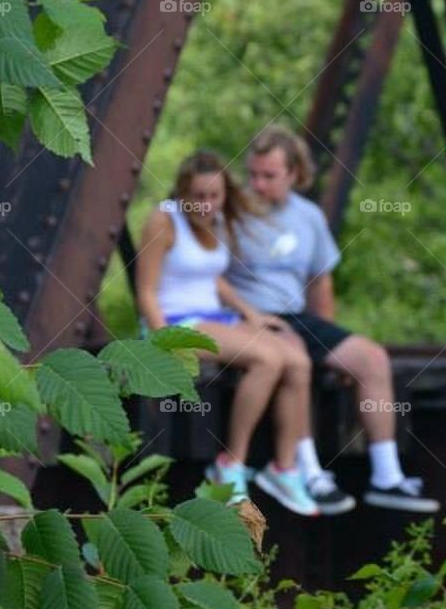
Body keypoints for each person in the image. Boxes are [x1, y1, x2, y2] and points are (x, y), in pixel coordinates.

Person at [224, 127, 440, 515]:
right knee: (294, 358)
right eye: (253, 174)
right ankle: (308, 473)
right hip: (249, 317)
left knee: (372, 358)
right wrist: (244, 316)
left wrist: (330, 352)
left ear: (294, 174)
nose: (258, 184)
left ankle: (387, 478)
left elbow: (320, 283)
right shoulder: (233, 212)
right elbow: (211, 276)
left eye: (269, 176)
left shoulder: (308, 217)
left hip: (299, 315)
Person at [135, 150, 318, 517]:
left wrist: (250, 312)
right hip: (176, 322)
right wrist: (160, 343)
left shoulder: (216, 221)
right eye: (198, 196)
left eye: (214, 196)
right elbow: (146, 292)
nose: (206, 204)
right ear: (182, 193)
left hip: (215, 317)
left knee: (297, 359)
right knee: (267, 357)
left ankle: (285, 468)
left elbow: (211, 275)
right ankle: (230, 464)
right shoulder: (163, 220)